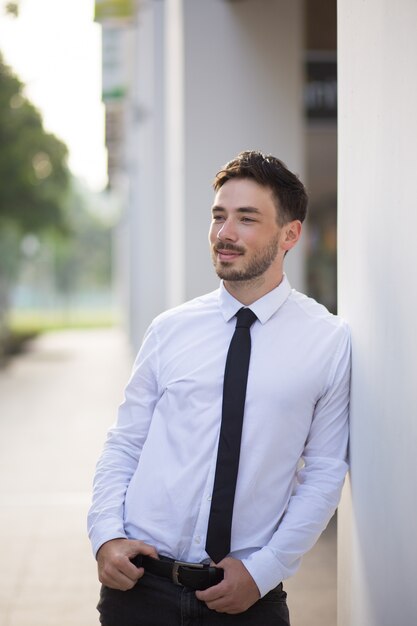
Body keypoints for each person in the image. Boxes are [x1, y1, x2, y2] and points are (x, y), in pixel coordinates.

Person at [88, 150, 350, 626]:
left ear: (290, 234)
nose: (224, 233)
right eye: (218, 217)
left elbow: (325, 472)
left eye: (246, 219)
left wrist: (264, 571)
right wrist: (105, 535)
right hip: (140, 590)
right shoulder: (170, 329)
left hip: (248, 598)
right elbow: (125, 442)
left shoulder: (328, 341)